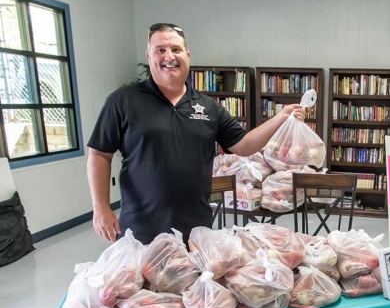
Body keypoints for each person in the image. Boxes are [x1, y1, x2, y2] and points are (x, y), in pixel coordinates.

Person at [87, 23, 305, 244]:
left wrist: (282, 117)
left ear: (187, 55)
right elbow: (99, 155)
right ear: (148, 55)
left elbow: (245, 145)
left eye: (176, 49)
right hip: (141, 228)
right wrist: (101, 207)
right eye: (160, 50)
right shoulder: (123, 100)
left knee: (194, 279)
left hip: (195, 229)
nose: (169, 56)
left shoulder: (208, 107)